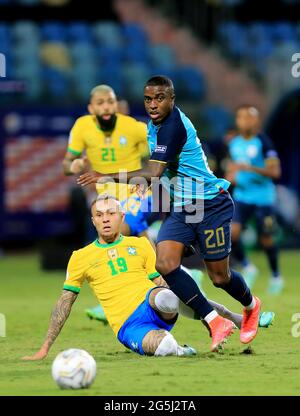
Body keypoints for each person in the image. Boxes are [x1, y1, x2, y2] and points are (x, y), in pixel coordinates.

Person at [77, 76, 262, 348]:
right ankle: (215, 321)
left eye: (160, 98)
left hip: (211, 204)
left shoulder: (173, 126)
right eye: (148, 99)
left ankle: (251, 304)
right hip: (183, 208)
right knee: (163, 263)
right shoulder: (155, 126)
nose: (153, 104)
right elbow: (167, 178)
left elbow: (154, 173)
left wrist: (105, 176)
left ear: (172, 100)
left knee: (220, 277)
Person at [62, 85, 154, 321]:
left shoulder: (133, 128)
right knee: (150, 252)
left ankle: (117, 301)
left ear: (116, 105)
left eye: (110, 102)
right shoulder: (82, 127)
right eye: (101, 103)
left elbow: (157, 156)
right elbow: (67, 163)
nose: (106, 107)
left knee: (115, 233)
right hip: (108, 199)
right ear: (91, 108)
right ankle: (182, 276)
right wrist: (75, 166)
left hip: (136, 190)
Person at [226, 105, 283, 294]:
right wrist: (228, 179)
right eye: (241, 117)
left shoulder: (263, 142)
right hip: (242, 196)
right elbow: (233, 170)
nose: (245, 121)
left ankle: (276, 277)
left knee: (265, 238)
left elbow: (275, 172)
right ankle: (248, 267)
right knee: (231, 234)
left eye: (249, 117)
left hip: (263, 198)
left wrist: (251, 169)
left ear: (256, 121)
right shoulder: (234, 143)